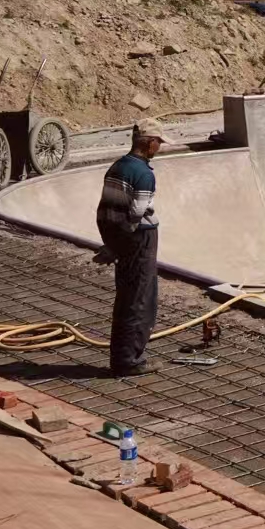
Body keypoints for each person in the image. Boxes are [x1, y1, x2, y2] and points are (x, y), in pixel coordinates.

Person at [96, 119, 168, 377]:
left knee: (126, 298)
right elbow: (136, 213)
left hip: (121, 238)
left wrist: (113, 245)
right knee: (140, 301)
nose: (159, 147)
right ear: (149, 143)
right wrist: (124, 242)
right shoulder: (144, 174)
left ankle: (122, 358)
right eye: (158, 142)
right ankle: (130, 361)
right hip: (140, 240)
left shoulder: (118, 166)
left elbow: (107, 210)